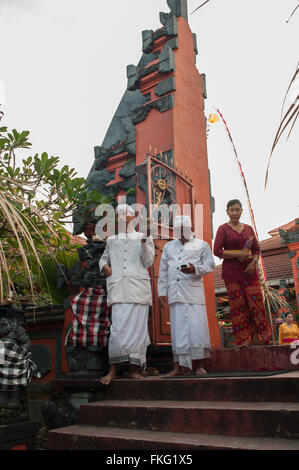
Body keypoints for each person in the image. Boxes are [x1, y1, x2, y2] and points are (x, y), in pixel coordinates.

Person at [98, 204, 155, 385]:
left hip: (137, 289)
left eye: (124, 213)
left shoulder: (142, 237)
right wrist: (107, 270)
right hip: (118, 289)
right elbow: (102, 259)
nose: (121, 216)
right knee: (117, 330)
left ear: (133, 216)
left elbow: (148, 261)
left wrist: (145, 243)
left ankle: (134, 370)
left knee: (138, 330)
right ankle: (113, 370)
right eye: (118, 214)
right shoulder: (112, 239)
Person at [158, 215, 215, 377]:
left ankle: (199, 366)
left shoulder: (202, 245)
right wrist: (162, 292)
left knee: (197, 329)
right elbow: (162, 271)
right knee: (178, 330)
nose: (182, 234)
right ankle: (177, 367)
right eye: (178, 231)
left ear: (192, 229)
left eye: (184, 230)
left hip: (193, 293)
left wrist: (194, 269)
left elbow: (210, 265)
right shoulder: (169, 247)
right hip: (175, 292)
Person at [213, 199, 273, 347]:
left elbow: (257, 249)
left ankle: (261, 337)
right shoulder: (223, 229)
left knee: (256, 303)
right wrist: (237, 254)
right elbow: (217, 251)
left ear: (241, 211)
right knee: (238, 305)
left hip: (249, 272)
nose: (234, 212)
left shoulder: (248, 229)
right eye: (231, 210)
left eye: (237, 209)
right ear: (227, 211)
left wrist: (253, 262)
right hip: (232, 273)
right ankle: (244, 339)